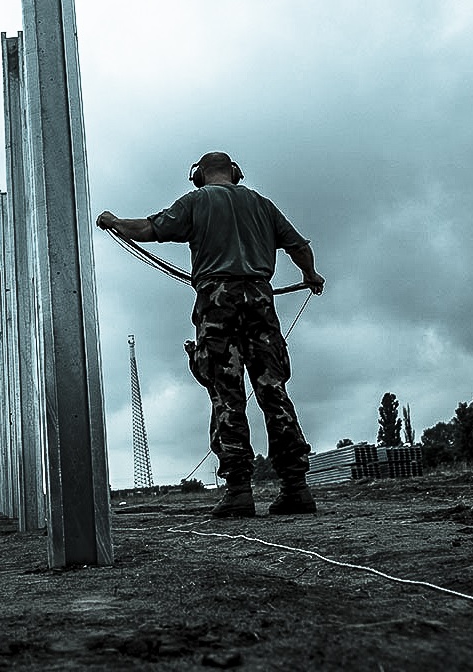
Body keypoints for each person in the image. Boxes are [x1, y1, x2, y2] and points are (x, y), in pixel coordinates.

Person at [95, 151, 325, 518]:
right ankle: (296, 487)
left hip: (218, 303)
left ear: (198, 176)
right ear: (235, 172)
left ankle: (238, 491)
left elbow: (151, 229)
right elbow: (299, 246)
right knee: (273, 390)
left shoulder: (196, 202)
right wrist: (310, 275)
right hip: (261, 301)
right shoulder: (262, 205)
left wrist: (114, 221)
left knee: (226, 393)